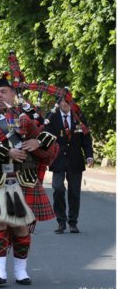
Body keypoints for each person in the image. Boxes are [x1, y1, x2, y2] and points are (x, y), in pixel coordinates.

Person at [0, 76, 58, 287]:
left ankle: (21, 271)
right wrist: (8, 151)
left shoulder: (29, 114)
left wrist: (37, 141)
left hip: (24, 178)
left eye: (3, 91)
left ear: (13, 93)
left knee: (21, 225)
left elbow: (51, 133)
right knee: (0, 221)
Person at [45, 97, 94, 234]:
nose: (66, 104)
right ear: (58, 103)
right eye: (63, 102)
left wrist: (89, 155)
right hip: (58, 159)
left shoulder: (78, 117)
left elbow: (86, 138)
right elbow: (45, 136)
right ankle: (61, 222)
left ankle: (73, 222)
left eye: (68, 102)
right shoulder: (52, 117)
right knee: (58, 188)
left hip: (75, 160)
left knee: (74, 192)